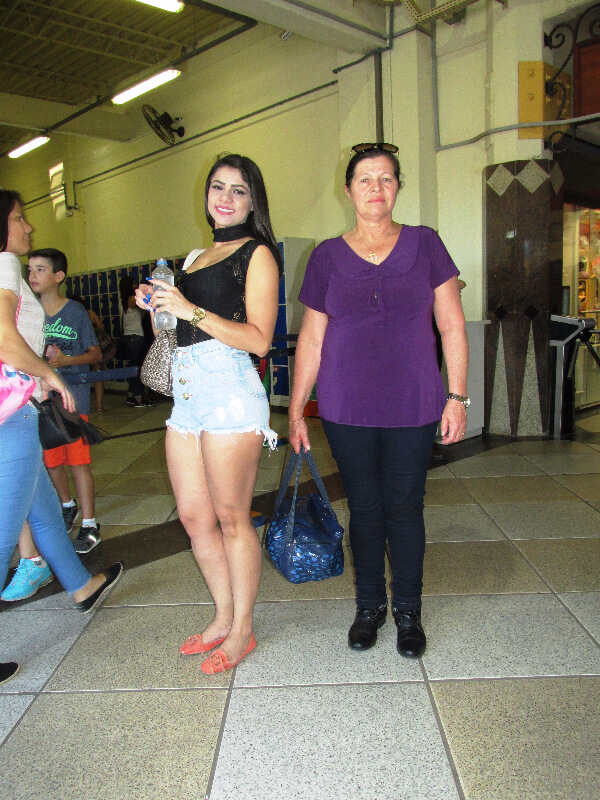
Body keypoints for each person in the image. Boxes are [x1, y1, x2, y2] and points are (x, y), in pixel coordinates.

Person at [288, 143, 469, 659]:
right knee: (365, 508)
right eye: (365, 179)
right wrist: (297, 410)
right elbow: (312, 340)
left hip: (414, 400)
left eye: (386, 178)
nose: (375, 187)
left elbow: (451, 325)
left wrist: (456, 396)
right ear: (348, 190)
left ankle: (409, 610)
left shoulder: (425, 243)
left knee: (406, 506)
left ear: (397, 188)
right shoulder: (326, 256)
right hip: (346, 404)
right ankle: (369, 606)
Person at [135, 154, 280, 674]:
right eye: (218, 187)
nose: (225, 197)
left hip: (230, 392)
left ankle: (242, 630)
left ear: (253, 201)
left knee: (232, 518)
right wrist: (158, 306)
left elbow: (259, 340)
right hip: (187, 395)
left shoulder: (258, 255)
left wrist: (189, 308)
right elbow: (177, 331)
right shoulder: (195, 256)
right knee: (195, 519)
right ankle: (222, 616)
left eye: (238, 190)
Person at [0, 189, 123, 685]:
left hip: (13, 412)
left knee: (44, 509)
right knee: (5, 532)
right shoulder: (4, 264)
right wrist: (49, 376)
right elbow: (5, 339)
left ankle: (81, 585)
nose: (27, 227)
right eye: (18, 218)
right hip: (12, 416)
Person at [28, 249, 103, 554]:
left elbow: (95, 353)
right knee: (52, 462)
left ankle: (90, 523)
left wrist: (65, 361)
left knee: (78, 463)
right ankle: (67, 505)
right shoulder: (27, 311)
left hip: (72, 402)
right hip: (40, 401)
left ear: (58, 276)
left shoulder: (75, 312)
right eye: (30, 269)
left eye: (40, 269)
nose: (32, 275)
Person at [119, 275, 153, 408]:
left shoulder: (122, 300)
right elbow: (147, 304)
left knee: (133, 368)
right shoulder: (133, 299)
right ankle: (139, 398)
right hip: (137, 337)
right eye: (133, 284)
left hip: (128, 337)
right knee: (138, 369)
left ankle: (131, 395)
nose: (135, 286)